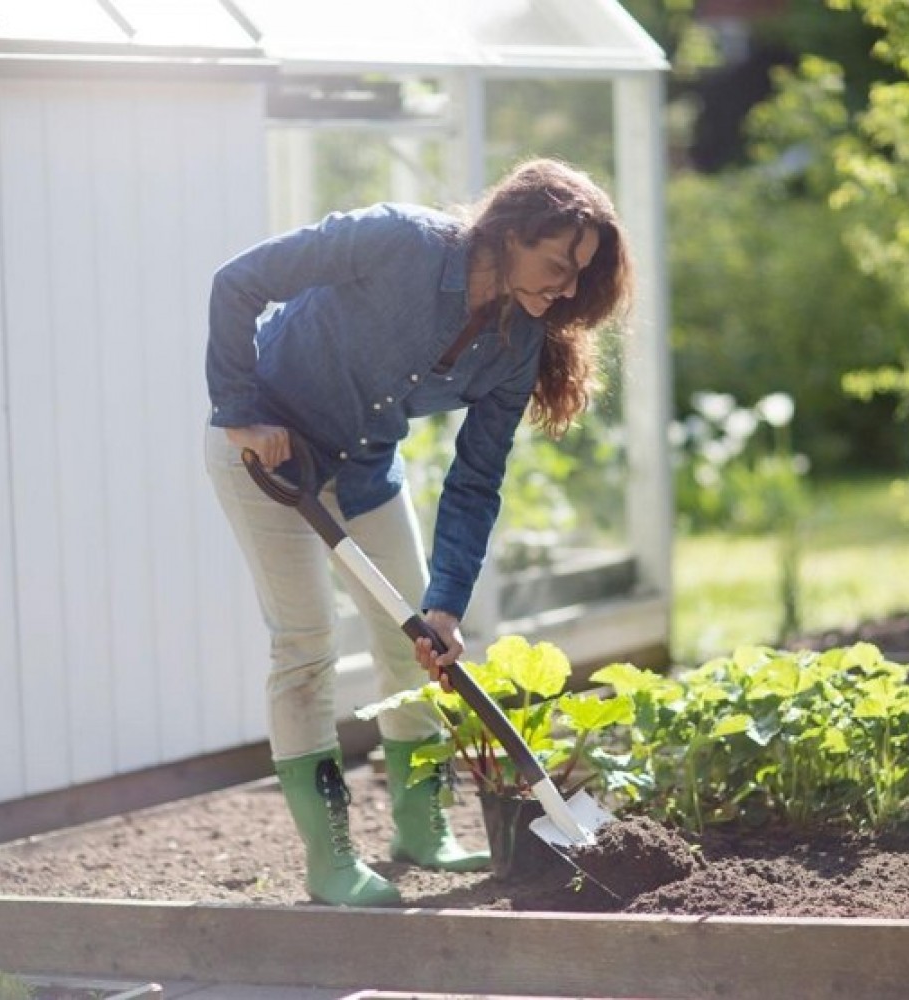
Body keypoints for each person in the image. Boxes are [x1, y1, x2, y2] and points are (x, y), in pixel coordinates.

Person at [204, 157, 634, 907]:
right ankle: (331, 859)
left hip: (364, 472)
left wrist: (445, 606)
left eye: (578, 277)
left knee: (415, 646)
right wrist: (243, 409)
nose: (565, 289)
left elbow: (476, 479)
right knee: (306, 648)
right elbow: (237, 281)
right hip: (268, 455)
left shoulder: (517, 343)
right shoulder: (393, 241)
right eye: (557, 264)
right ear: (508, 230)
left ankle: (420, 825)